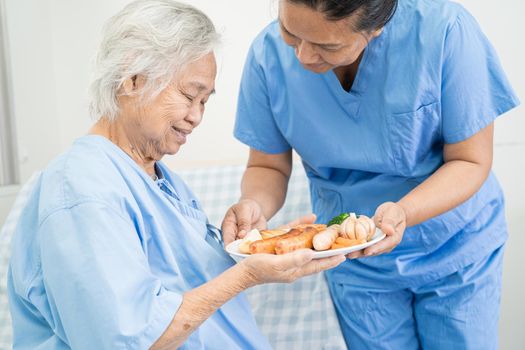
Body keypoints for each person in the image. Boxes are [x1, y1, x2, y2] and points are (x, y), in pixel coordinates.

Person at [6, 1, 345, 349]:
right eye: (189, 95)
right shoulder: (81, 187)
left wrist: (259, 245)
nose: (197, 117)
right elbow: (128, 339)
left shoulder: (160, 180)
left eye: (205, 102)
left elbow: (187, 284)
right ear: (133, 80)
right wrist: (247, 275)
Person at [221, 0, 520, 348]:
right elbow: (267, 165)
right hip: (353, 256)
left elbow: (470, 161)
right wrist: (255, 204)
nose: (302, 56)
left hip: (453, 247)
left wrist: (403, 212)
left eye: (327, 46)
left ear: (376, 26)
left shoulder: (445, 32)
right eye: (290, 32)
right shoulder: (267, 56)